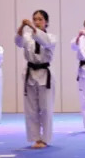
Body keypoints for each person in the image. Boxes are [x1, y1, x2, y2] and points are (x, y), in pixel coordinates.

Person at [16, 10, 56, 149]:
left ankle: (45, 138)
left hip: (45, 74)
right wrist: (22, 26)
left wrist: (33, 28)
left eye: (40, 19)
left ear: (46, 22)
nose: (37, 22)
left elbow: (44, 42)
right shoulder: (27, 36)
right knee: (31, 109)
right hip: (30, 73)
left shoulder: (51, 37)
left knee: (45, 108)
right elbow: (18, 42)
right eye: (35, 19)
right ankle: (36, 138)